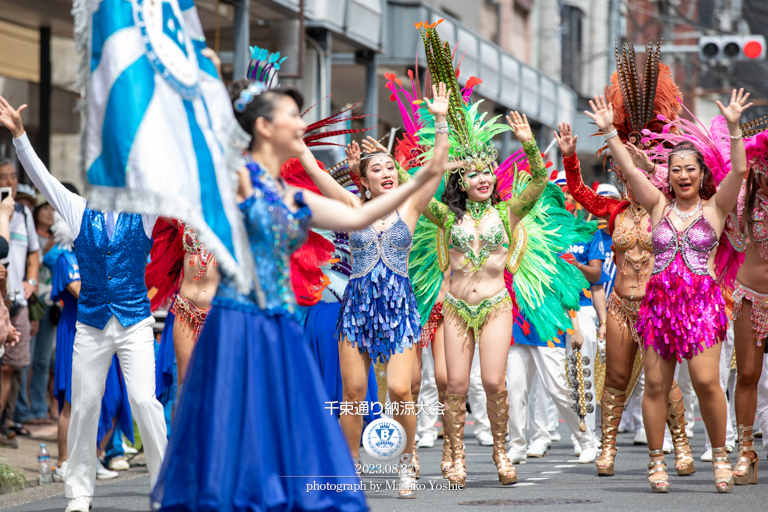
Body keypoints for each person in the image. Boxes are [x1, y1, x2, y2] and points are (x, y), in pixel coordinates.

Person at [150, 62, 451, 508]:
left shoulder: (293, 197)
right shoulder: (230, 182)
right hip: (234, 323)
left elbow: (359, 216)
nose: (303, 123)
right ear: (264, 127)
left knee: (284, 425)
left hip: (281, 327)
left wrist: (430, 164)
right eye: (293, 115)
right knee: (231, 421)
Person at [1, 95, 168, 512]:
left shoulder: (145, 210)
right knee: (84, 405)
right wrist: (20, 137)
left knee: (145, 400)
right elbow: (41, 180)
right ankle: (78, 491)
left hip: (134, 322)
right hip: (91, 325)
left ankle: (167, 489)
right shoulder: (77, 210)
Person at [586, 88, 751, 493]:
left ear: (700, 174)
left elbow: (740, 174)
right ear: (669, 174)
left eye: (689, 169)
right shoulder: (657, 207)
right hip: (658, 306)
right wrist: (609, 133)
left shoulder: (715, 209)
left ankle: (719, 456)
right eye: (675, 169)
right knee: (656, 385)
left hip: (701, 306)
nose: (682, 175)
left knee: (706, 381)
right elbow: (631, 169)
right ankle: (656, 462)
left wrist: (733, 129)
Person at [0, 159, 40, 438]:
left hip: (19, 300)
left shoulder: (24, 212)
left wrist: (32, 281)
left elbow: (34, 255)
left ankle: (4, 422)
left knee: (14, 366)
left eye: (13, 176)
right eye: (3, 177)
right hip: (1, 298)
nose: (9, 182)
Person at [15, 200, 57, 425]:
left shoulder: (59, 238)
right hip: (32, 301)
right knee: (25, 360)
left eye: (54, 209)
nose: (51, 213)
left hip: (50, 304)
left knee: (43, 360)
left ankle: (39, 410)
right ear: (37, 211)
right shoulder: (30, 238)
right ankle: (22, 412)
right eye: (46, 208)